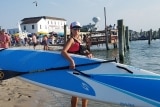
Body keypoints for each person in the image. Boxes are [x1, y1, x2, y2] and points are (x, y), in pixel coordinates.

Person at [61, 21, 92, 107]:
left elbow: (83, 51)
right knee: (76, 92)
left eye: (78, 29)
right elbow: (63, 52)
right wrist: (71, 61)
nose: (77, 31)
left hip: (83, 68)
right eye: (75, 29)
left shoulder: (80, 39)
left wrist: (88, 54)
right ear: (71, 30)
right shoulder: (71, 40)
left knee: (85, 91)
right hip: (74, 68)